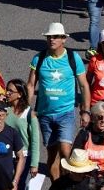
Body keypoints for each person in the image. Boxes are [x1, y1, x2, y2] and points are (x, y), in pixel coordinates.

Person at [29, 22, 89, 175]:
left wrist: (85, 111)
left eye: (55, 37)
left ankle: (68, 185)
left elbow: (84, 85)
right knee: (52, 153)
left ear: (64, 39)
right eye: (49, 37)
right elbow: (30, 85)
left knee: (65, 150)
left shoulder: (73, 58)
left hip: (66, 112)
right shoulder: (39, 58)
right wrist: (26, 110)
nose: (52, 40)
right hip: (45, 114)